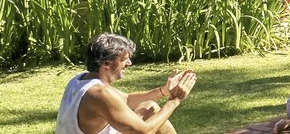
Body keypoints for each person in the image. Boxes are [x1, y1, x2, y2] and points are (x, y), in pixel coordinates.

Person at [55, 33, 197, 134]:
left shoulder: (81, 80)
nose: (129, 63)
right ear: (106, 63)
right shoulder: (101, 94)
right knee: (146, 119)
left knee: (149, 107)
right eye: (124, 59)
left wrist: (164, 91)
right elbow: (143, 131)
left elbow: (127, 99)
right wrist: (174, 101)